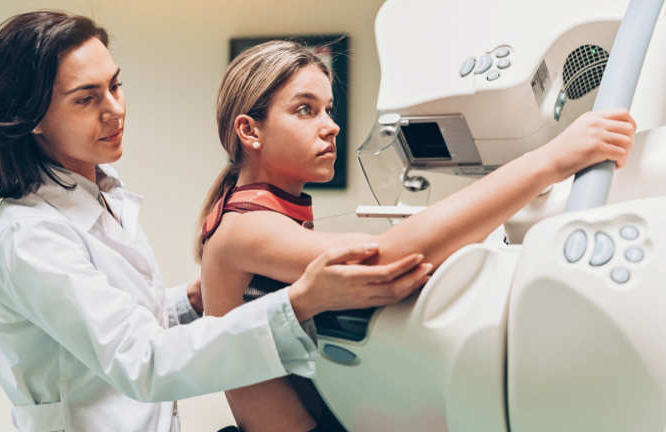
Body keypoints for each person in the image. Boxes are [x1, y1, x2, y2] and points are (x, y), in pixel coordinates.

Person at [0, 12, 432, 432]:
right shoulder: (29, 234)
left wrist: (190, 299)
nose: (115, 109)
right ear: (31, 116)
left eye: (115, 85)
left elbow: (112, 322)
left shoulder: (101, 195)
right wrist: (300, 302)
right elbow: (141, 361)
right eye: (86, 99)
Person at [197, 40, 637, 431]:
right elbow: (383, 257)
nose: (329, 124)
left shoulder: (261, 215)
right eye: (305, 109)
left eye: (329, 109)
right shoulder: (243, 226)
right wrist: (550, 160)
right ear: (249, 131)